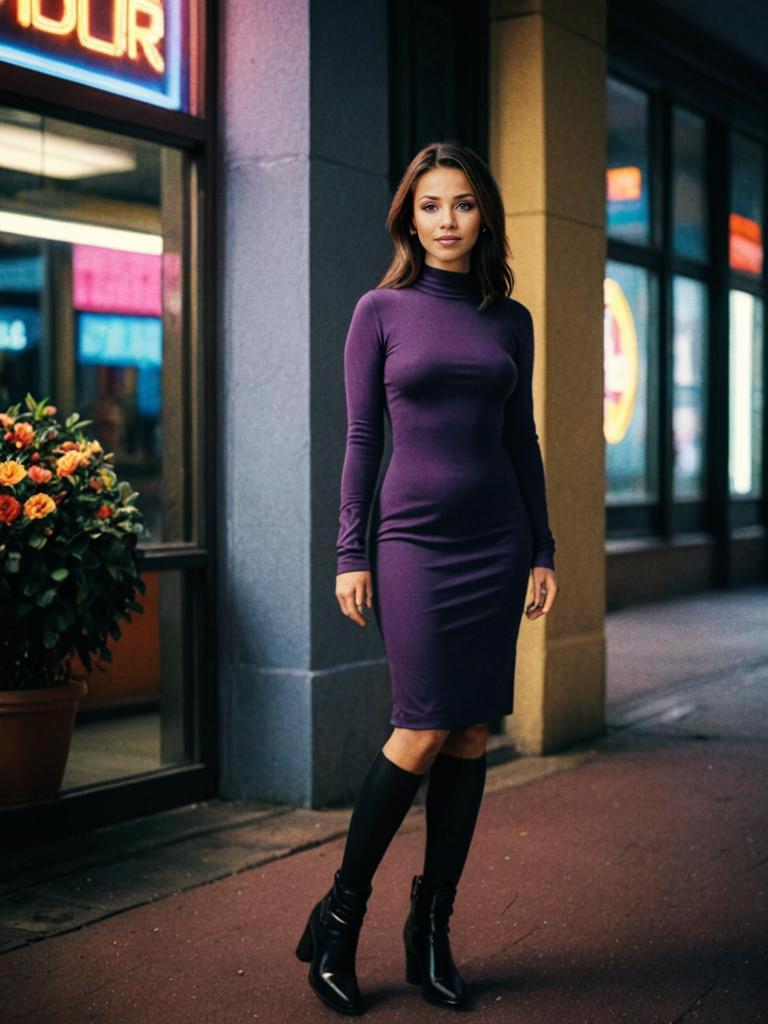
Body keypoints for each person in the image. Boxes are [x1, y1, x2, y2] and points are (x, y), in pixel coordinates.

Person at [295, 140, 559, 1015]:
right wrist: (350, 551)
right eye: (432, 205)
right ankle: (339, 920)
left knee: (474, 736)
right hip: (410, 541)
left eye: (464, 205)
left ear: (485, 215)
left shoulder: (508, 318)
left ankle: (432, 929)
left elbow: (521, 438)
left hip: (497, 541)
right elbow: (362, 440)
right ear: (410, 215)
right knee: (419, 730)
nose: (448, 221)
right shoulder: (379, 310)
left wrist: (545, 548)